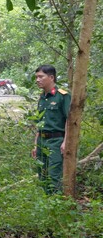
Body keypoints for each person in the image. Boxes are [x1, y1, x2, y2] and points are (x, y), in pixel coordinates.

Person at [32, 64, 70, 194]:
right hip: (42, 141)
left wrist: (65, 141)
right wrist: (35, 145)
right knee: (42, 175)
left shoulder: (62, 96)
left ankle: (56, 201)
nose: (37, 80)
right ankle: (46, 202)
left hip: (56, 141)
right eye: (36, 77)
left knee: (54, 175)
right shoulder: (42, 98)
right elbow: (39, 123)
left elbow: (69, 120)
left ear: (51, 77)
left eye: (41, 77)